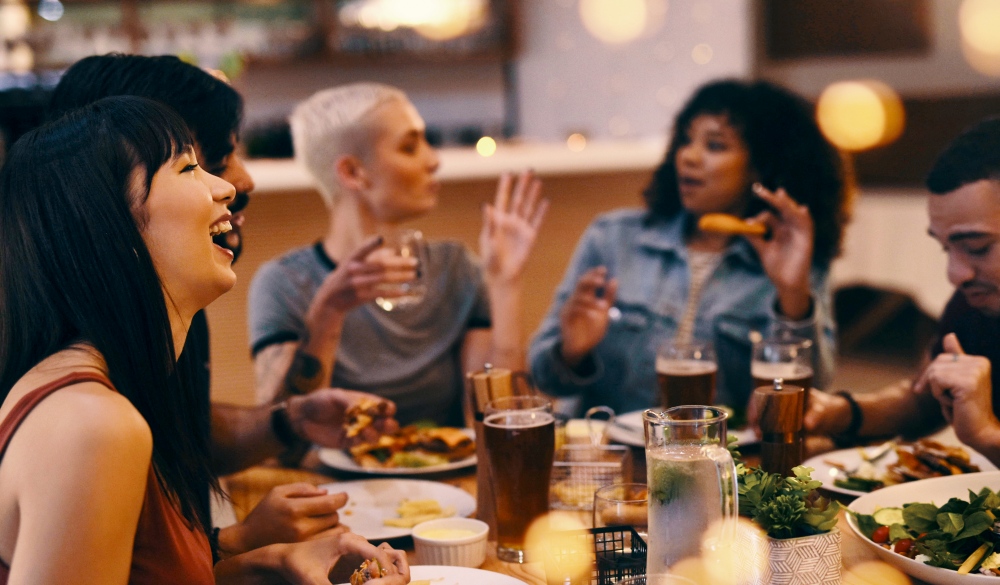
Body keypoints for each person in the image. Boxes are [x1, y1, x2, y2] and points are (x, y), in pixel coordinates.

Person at [0, 95, 408, 584]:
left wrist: (268, 564)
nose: (226, 187)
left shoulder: (97, 390)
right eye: (189, 167)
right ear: (111, 223)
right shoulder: (94, 426)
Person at [529, 79, 852, 415]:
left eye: (714, 146)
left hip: (718, 458)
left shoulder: (790, 256)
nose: (688, 156)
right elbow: (543, 377)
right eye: (685, 141)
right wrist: (572, 352)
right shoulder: (613, 238)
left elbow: (809, 400)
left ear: (761, 165)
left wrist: (792, 294)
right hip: (609, 452)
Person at [249, 83, 547, 426]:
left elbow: (499, 421)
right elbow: (280, 438)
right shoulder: (285, 283)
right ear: (352, 172)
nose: (434, 160)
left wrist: (505, 285)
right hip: (329, 478)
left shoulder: (455, 268)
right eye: (409, 146)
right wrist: (329, 310)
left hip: (443, 473)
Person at [805, 117, 1000, 464]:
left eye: (977, 247)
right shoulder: (973, 305)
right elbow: (923, 401)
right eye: (945, 248)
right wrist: (837, 411)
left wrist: (987, 435)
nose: (955, 275)